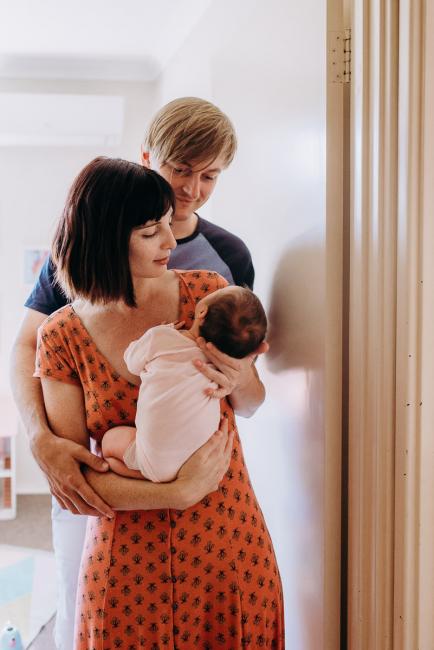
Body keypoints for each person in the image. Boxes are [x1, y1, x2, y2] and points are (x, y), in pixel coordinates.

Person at [10, 97, 256, 650]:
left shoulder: (223, 266)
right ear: (150, 160)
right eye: (179, 171)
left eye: (209, 176)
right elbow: (29, 347)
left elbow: (249, 384)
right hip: (113, 500)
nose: (191, 189)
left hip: (214, 497)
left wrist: (236, 379)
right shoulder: (77, 282)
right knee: (81, 610)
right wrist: (40, 438)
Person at [102, 285, 267, 483]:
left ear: (202, 311)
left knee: (108, 442)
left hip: (154, 461)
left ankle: (145, 476)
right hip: (204, 463)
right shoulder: (222, 366)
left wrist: (161, 331)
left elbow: (132, 362)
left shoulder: (161, 338)